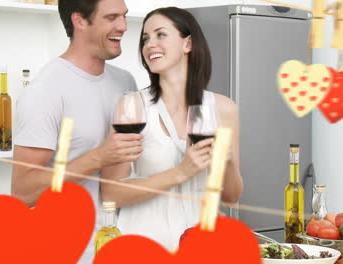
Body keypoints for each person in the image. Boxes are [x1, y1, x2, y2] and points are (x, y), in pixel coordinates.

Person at [101, 7, 243, 252]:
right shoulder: (134, 106)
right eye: (145, 39)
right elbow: (111, 194)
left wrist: (227, 162)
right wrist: (181, 172)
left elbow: (231, 197)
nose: (149, 45)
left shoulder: (224, 109)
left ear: (188, 43)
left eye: (160, 35)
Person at [11, 0, 142, 262]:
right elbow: (22, 192)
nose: (124, 26)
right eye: (112, 17)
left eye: (124, 16)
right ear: (79, 21)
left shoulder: (124, 81)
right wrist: (98, 157)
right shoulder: (45, 90)